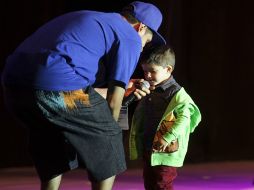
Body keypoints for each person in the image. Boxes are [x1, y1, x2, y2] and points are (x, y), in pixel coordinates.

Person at [1, 1, 166, 190]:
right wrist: (109, 129)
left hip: (15, 87)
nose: (143, 47)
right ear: (141, 27)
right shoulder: (130, 36)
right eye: (146, 41)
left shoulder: (94, 19)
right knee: (109, 135)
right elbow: (114, 102)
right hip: (56, 88)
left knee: (51, 135)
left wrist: (124, 89)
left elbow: (68, 94)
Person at [129, 45, 202, 190]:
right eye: (145, 71)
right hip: (150, 147)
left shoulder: (177, 94)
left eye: (152, 71)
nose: (147, 76)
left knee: (162, 183)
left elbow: (184, 120)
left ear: (168, 69)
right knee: (149, 182)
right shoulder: (150, 88)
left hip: (166, 150)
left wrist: (167, 138)